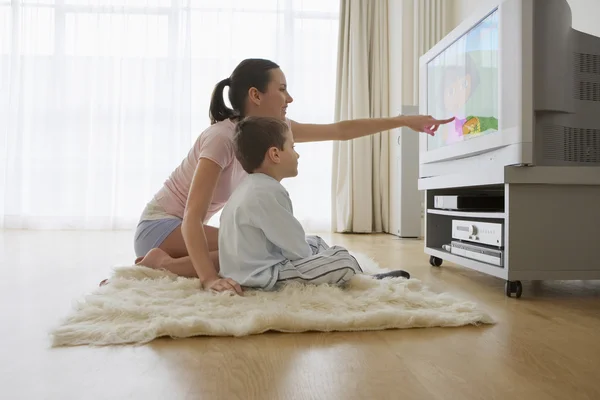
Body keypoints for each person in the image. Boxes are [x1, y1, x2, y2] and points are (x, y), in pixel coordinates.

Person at [131, 58, 454, 295]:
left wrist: (402, 121)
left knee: (254, 251)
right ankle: (162, 263)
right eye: (282, 89)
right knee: (245, 255)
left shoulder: (273, 131)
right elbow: (191, 217)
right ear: (256, 95)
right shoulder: (221, 137)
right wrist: (208, 279)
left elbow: (340, 131)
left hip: (188, 228)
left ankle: (167, 264)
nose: (290, 98)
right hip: (161, 226)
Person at [217, 116, 411, 291]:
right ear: (275, 154)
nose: (297, 155)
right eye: (292, 147)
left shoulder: (251, 187)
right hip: (263, 276)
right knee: (342, 260)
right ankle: (363, 280)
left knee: (316, 241)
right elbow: (295, 247)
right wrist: (319, 261)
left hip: (251, 267)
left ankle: (352, 273)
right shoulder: (266, 192)